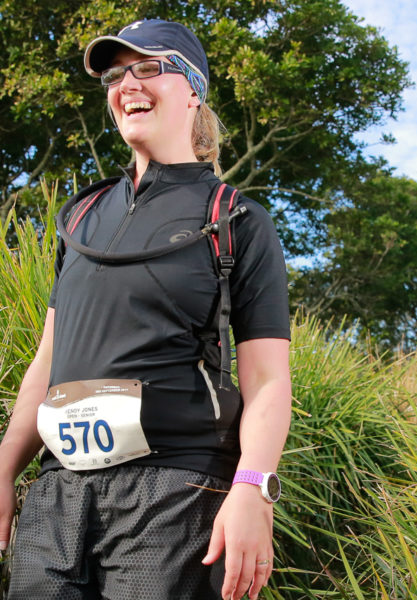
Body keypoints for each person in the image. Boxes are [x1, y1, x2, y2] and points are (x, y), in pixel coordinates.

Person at [0, 19, 291, 600]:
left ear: (193, 89)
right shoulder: (82, 219)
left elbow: (267, 380)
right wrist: (4, 473)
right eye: (115, 74)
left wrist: (253, 488)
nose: (126, 83)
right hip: (57, 498)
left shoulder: (235, 221)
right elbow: (47, 363)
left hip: (174, 496)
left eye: (148, 67)